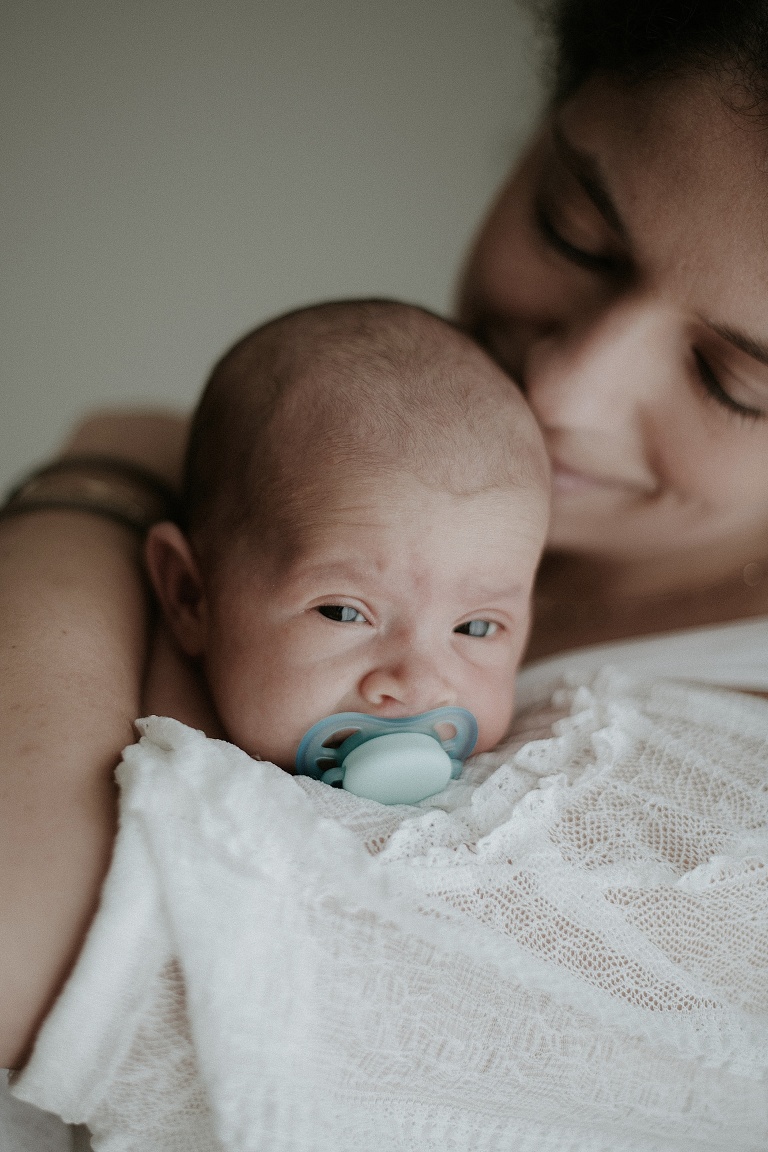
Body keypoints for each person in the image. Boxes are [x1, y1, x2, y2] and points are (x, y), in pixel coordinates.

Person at [2, 0, 768, 1134]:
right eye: (573, 231)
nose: (562, 397)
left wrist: (104, 469)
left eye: (735, 380)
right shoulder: (370, 450)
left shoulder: (726, 820)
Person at [143, 299, 549, 773]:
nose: (417, 686)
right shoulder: (128, 734)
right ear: (190, 595)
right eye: (344, 612)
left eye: (475, 627)